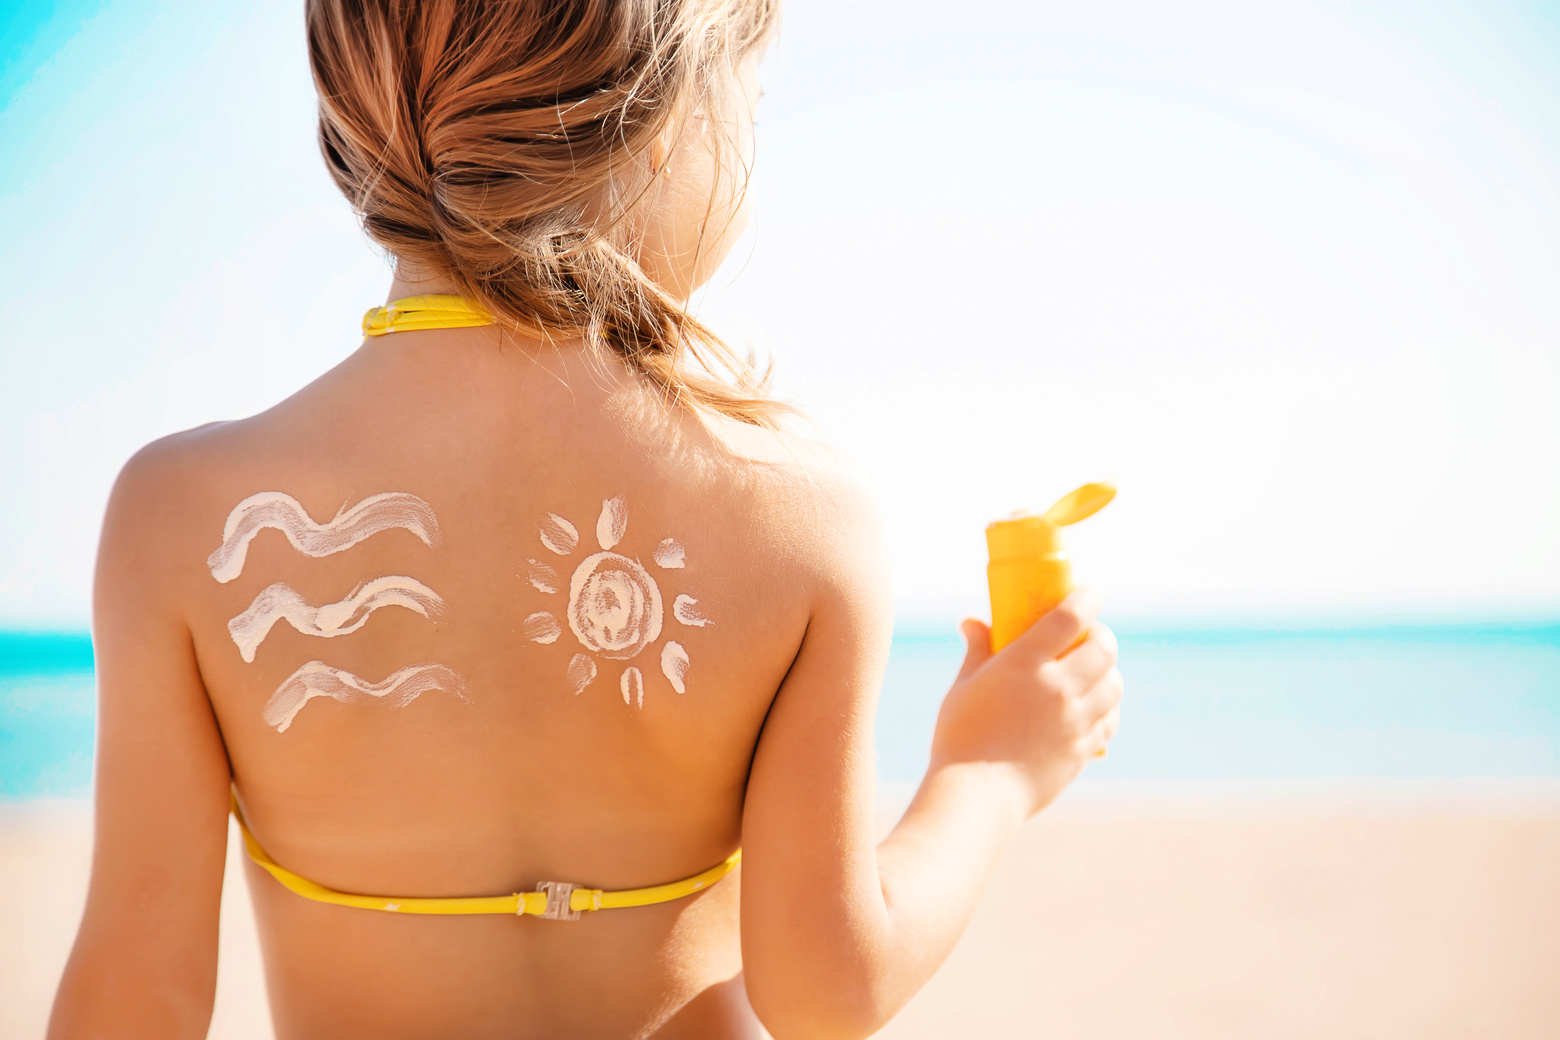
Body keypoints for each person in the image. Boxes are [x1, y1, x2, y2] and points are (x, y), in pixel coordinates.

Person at [48, 1, 1123, 1037]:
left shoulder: (181, 515)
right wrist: (990, 768)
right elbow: (826, 990)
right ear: (666, 126)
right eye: (747, 105)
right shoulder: (801, 517)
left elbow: (134, 999)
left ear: (361, 115)